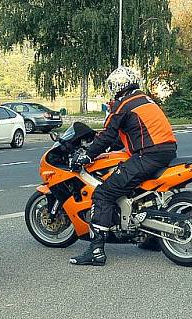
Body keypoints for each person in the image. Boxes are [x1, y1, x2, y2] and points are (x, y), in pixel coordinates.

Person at [68, 66, 177, 266]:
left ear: (118, 86)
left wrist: (87, 155)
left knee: (103, 193)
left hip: (148, 155)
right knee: (138, 191)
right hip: (167, 152)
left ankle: (96, 251)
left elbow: (108, 134)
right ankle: (151, 237)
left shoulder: (123, 104)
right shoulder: (145, 100)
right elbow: (130, 133)